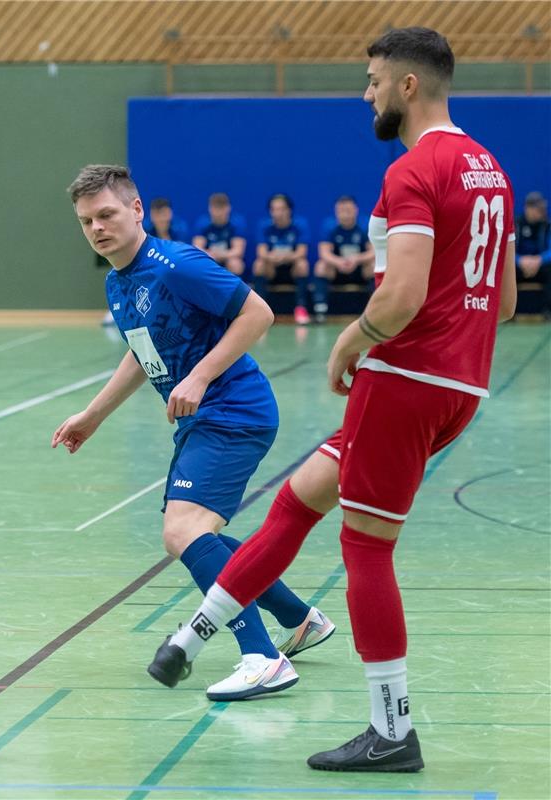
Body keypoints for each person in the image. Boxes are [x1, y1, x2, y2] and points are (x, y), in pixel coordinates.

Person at [148, 26, 517, 772]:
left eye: (374, 79)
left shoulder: (415, 170)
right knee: (300, 497)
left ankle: (392, 730)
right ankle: (192, 636)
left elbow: (404, 294)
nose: (367, 92)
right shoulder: (492, 169)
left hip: (405, 379)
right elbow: (504, 301)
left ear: (408, 86)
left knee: (366, 548)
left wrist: (352, 341)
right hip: (460, 385)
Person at [54, 164, 335, 702]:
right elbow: (143, 352)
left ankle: (261, 657)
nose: (97, 227)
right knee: (199, 533)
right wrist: (94, 415)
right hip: (203, 419)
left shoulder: (175, 264)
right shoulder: (119, 280)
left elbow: (259, 313)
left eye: (107, 214)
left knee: (182, 532)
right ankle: (299, 620)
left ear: (137, 211)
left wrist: (201, 376)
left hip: (234, 410)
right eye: (87, 220)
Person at [313, 195, 375, 323]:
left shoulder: (365, 225)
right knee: (321, 266)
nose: (345, 215)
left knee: (373, 266)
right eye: (341, 211)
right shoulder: (329, 226)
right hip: (338, 269)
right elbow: (324, 253)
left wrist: (356, 259)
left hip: (359, 269)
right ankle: (320, 310)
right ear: (336, 212)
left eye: (348, 211)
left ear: (355, 210)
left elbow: (373, 251)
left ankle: (375, 311)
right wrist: (339, 262)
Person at [253, 194, 312, 325]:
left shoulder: (299, 225)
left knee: (302, 265)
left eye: (281, 209)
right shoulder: (264, 226)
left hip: (291, 268)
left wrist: (285, 256)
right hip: (272, 268)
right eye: (274, 209)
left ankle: (301, 309)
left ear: (289, 210)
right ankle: (260, 311)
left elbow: (302, 252)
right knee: (259, 265)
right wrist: (272, 257)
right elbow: (261, 253)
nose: (278, 213)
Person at [515, 191, 551, 319]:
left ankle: (547, 310)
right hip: (519, 266)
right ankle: (509, 311)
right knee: (506, 270)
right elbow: (507, 252)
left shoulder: (547, 225)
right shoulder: (516, 225)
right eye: (537, 208)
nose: (540, 212)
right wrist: (520, 260)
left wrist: (538, 260)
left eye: (542, 209)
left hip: (540, 266)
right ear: (527, 208)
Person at [192, 193, 247, 276]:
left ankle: (235, 288)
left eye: (221, 208)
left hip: (227, 258)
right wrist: (210, 255)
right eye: (215, 208)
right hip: (209, 258)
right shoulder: (202, 223)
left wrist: (220, 255)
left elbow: (238, 251)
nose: (218, 212)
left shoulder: (237, 223)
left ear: (228, 208)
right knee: (196, 264)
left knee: (236, 264)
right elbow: (197, 248)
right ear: (209, 208)